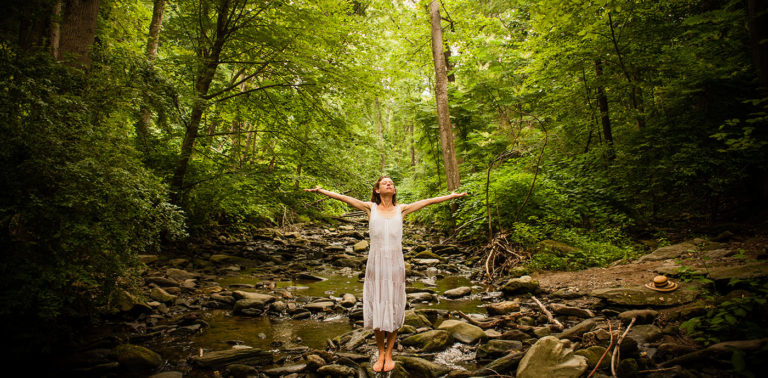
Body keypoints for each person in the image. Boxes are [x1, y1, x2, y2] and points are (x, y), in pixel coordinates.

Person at [304, 176, 467, 372]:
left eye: (391, 183)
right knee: (378, 304)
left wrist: (451, 196)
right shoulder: (369, 208)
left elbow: (428, 201)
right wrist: (321, 191)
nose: (389, 184)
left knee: (394, 304)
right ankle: (380, 351)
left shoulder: (402, 209)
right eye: (384, 183)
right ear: (378, 190)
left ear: (394, 190)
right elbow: (343, 198)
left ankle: (389, 353)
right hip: (376, 263)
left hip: (395, 264)